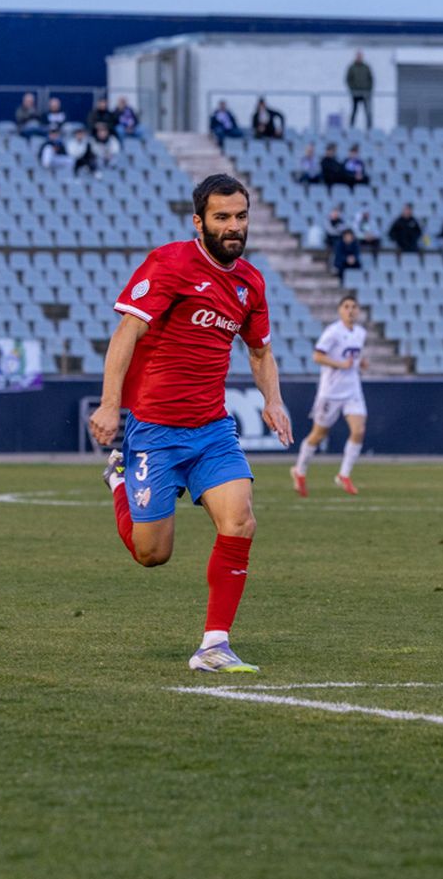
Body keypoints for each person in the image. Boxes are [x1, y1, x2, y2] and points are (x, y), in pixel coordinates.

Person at [88, 173, 292, 674]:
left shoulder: (251, 282)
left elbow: (260, 351)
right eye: (222, 217)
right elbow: (126, 332)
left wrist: (274, 401)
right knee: (152, 554)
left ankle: (214, 646)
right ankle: (119, 478)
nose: (233, 226)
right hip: (155, 430)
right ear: (198, 222)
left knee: (240, 520)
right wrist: (110, 404)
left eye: (240, 216)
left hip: (211, 429)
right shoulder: (171, 263)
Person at [291, 295, 368, 497]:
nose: (350, 310)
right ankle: (299, 470)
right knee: (318, 434)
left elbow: (354, 356)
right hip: (331, 392)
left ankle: (344, 475)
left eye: (354, 307)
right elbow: (317, 356)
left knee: (359, 430)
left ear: (358, 311)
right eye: (346, 306)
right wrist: (340, 365)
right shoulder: (333, 332)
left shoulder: (360, 333)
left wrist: (361, 363)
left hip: (352, 390)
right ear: (340, 310)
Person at [346, 50, 374, 129]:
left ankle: (369, 127)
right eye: (358, 56)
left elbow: (371, 79)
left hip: (365, 93)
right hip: (355, 93)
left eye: (360, 56)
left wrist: (368, 90)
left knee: (367, 111)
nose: (359, 58)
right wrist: (353, 89)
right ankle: (351, 127)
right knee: (354, 111)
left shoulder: (366, 67)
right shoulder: (352, 67)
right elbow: (348, 79)